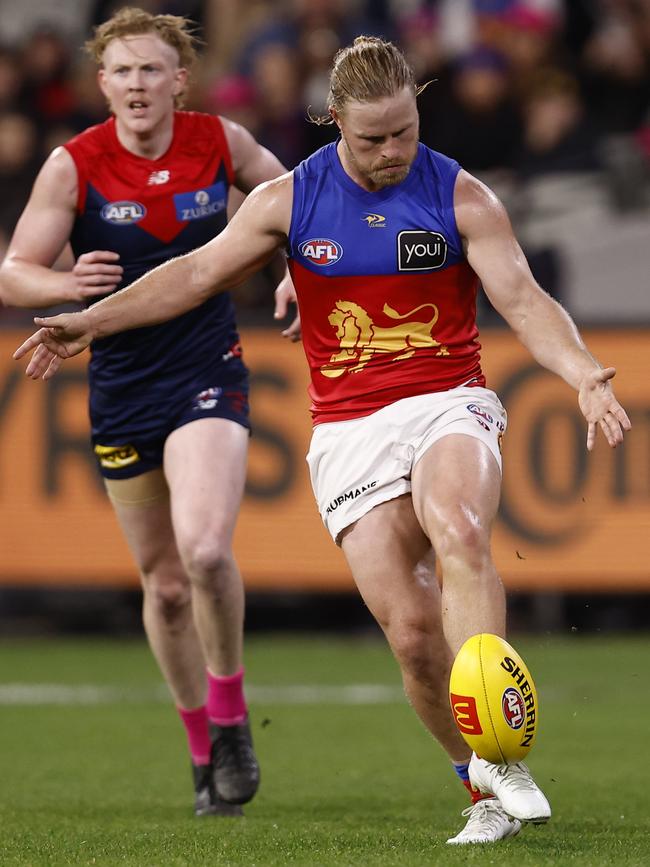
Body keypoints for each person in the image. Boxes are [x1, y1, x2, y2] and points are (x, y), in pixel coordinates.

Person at [13, 36, 631, 844]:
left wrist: (583, 371)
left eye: (404, 132)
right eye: (372, 138)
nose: (390, 152)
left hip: (449, 398)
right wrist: (88, 321)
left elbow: (523, 297)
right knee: (411, 635)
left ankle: (500, 749)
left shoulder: (462, 194)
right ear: (333, 120)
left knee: (461, 528)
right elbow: (194, 275)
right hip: (348, 428)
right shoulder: (289, 199)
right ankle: (478, 787)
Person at [0, 7, 298, 818]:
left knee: (204, 550)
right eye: (122, 71)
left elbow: (300, 202)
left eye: (151, 70)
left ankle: (232, 713)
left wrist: (297, 272)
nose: (136, 84)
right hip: (122, 388)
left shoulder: (221, 142)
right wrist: (64, 285)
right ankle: (202, 747)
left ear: (179, 80)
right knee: (164, 587)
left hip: (208, 369)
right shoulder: (74, 165)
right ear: (103, 84)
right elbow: (13, 271)